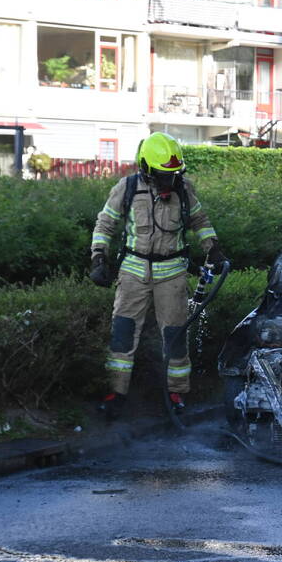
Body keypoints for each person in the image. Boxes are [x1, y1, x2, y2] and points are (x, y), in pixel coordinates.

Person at [89, 132, 226, 419]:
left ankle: (176, 394)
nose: (169, 180)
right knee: (123, 333)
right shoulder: (127, 188)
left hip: (172, 273)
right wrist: (98, 257)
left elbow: (199, 220)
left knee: (175, 336)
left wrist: (213, 249)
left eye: (174, 174)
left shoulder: (183, 188)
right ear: (146, 168)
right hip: (133, 272)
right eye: (164, 175)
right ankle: (115, 393)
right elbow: (105, 223)